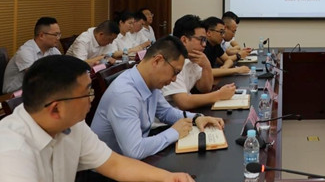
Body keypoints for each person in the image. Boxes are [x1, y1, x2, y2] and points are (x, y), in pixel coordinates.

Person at [0, 55, 195, 182]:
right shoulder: (11, 153)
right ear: (56, 109)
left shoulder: (72, 125)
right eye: (87, 93)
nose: (92, 99)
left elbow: (114, 164)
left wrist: (168, 178)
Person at [91, 35, 224, 159]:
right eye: (175, 72)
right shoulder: (125, 94)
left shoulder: (149, 81)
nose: (174, 79)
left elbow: (166, 112)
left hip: (135, 157)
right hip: (110, 167)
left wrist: (196, 118)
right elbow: (134, 150)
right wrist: (174, 132)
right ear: (157, 61)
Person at [163, 15, 236, 110]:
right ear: (184, 40)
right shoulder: (170, 60)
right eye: (201, 40)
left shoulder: (193, 57)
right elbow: (184, 102)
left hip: (184, 113)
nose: (204, 44)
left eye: (205, 40)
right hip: (170, 117)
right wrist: (219, 95)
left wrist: (206, 66)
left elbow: (204, 88)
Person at [3, 17, 62, 94]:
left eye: (59, 34)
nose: (58, 38)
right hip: (14, 96)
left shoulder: (53, 50)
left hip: (37, 91)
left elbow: (63, 70)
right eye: (55, 34)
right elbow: (37, 78)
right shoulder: (25, 52)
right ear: (41, 35)